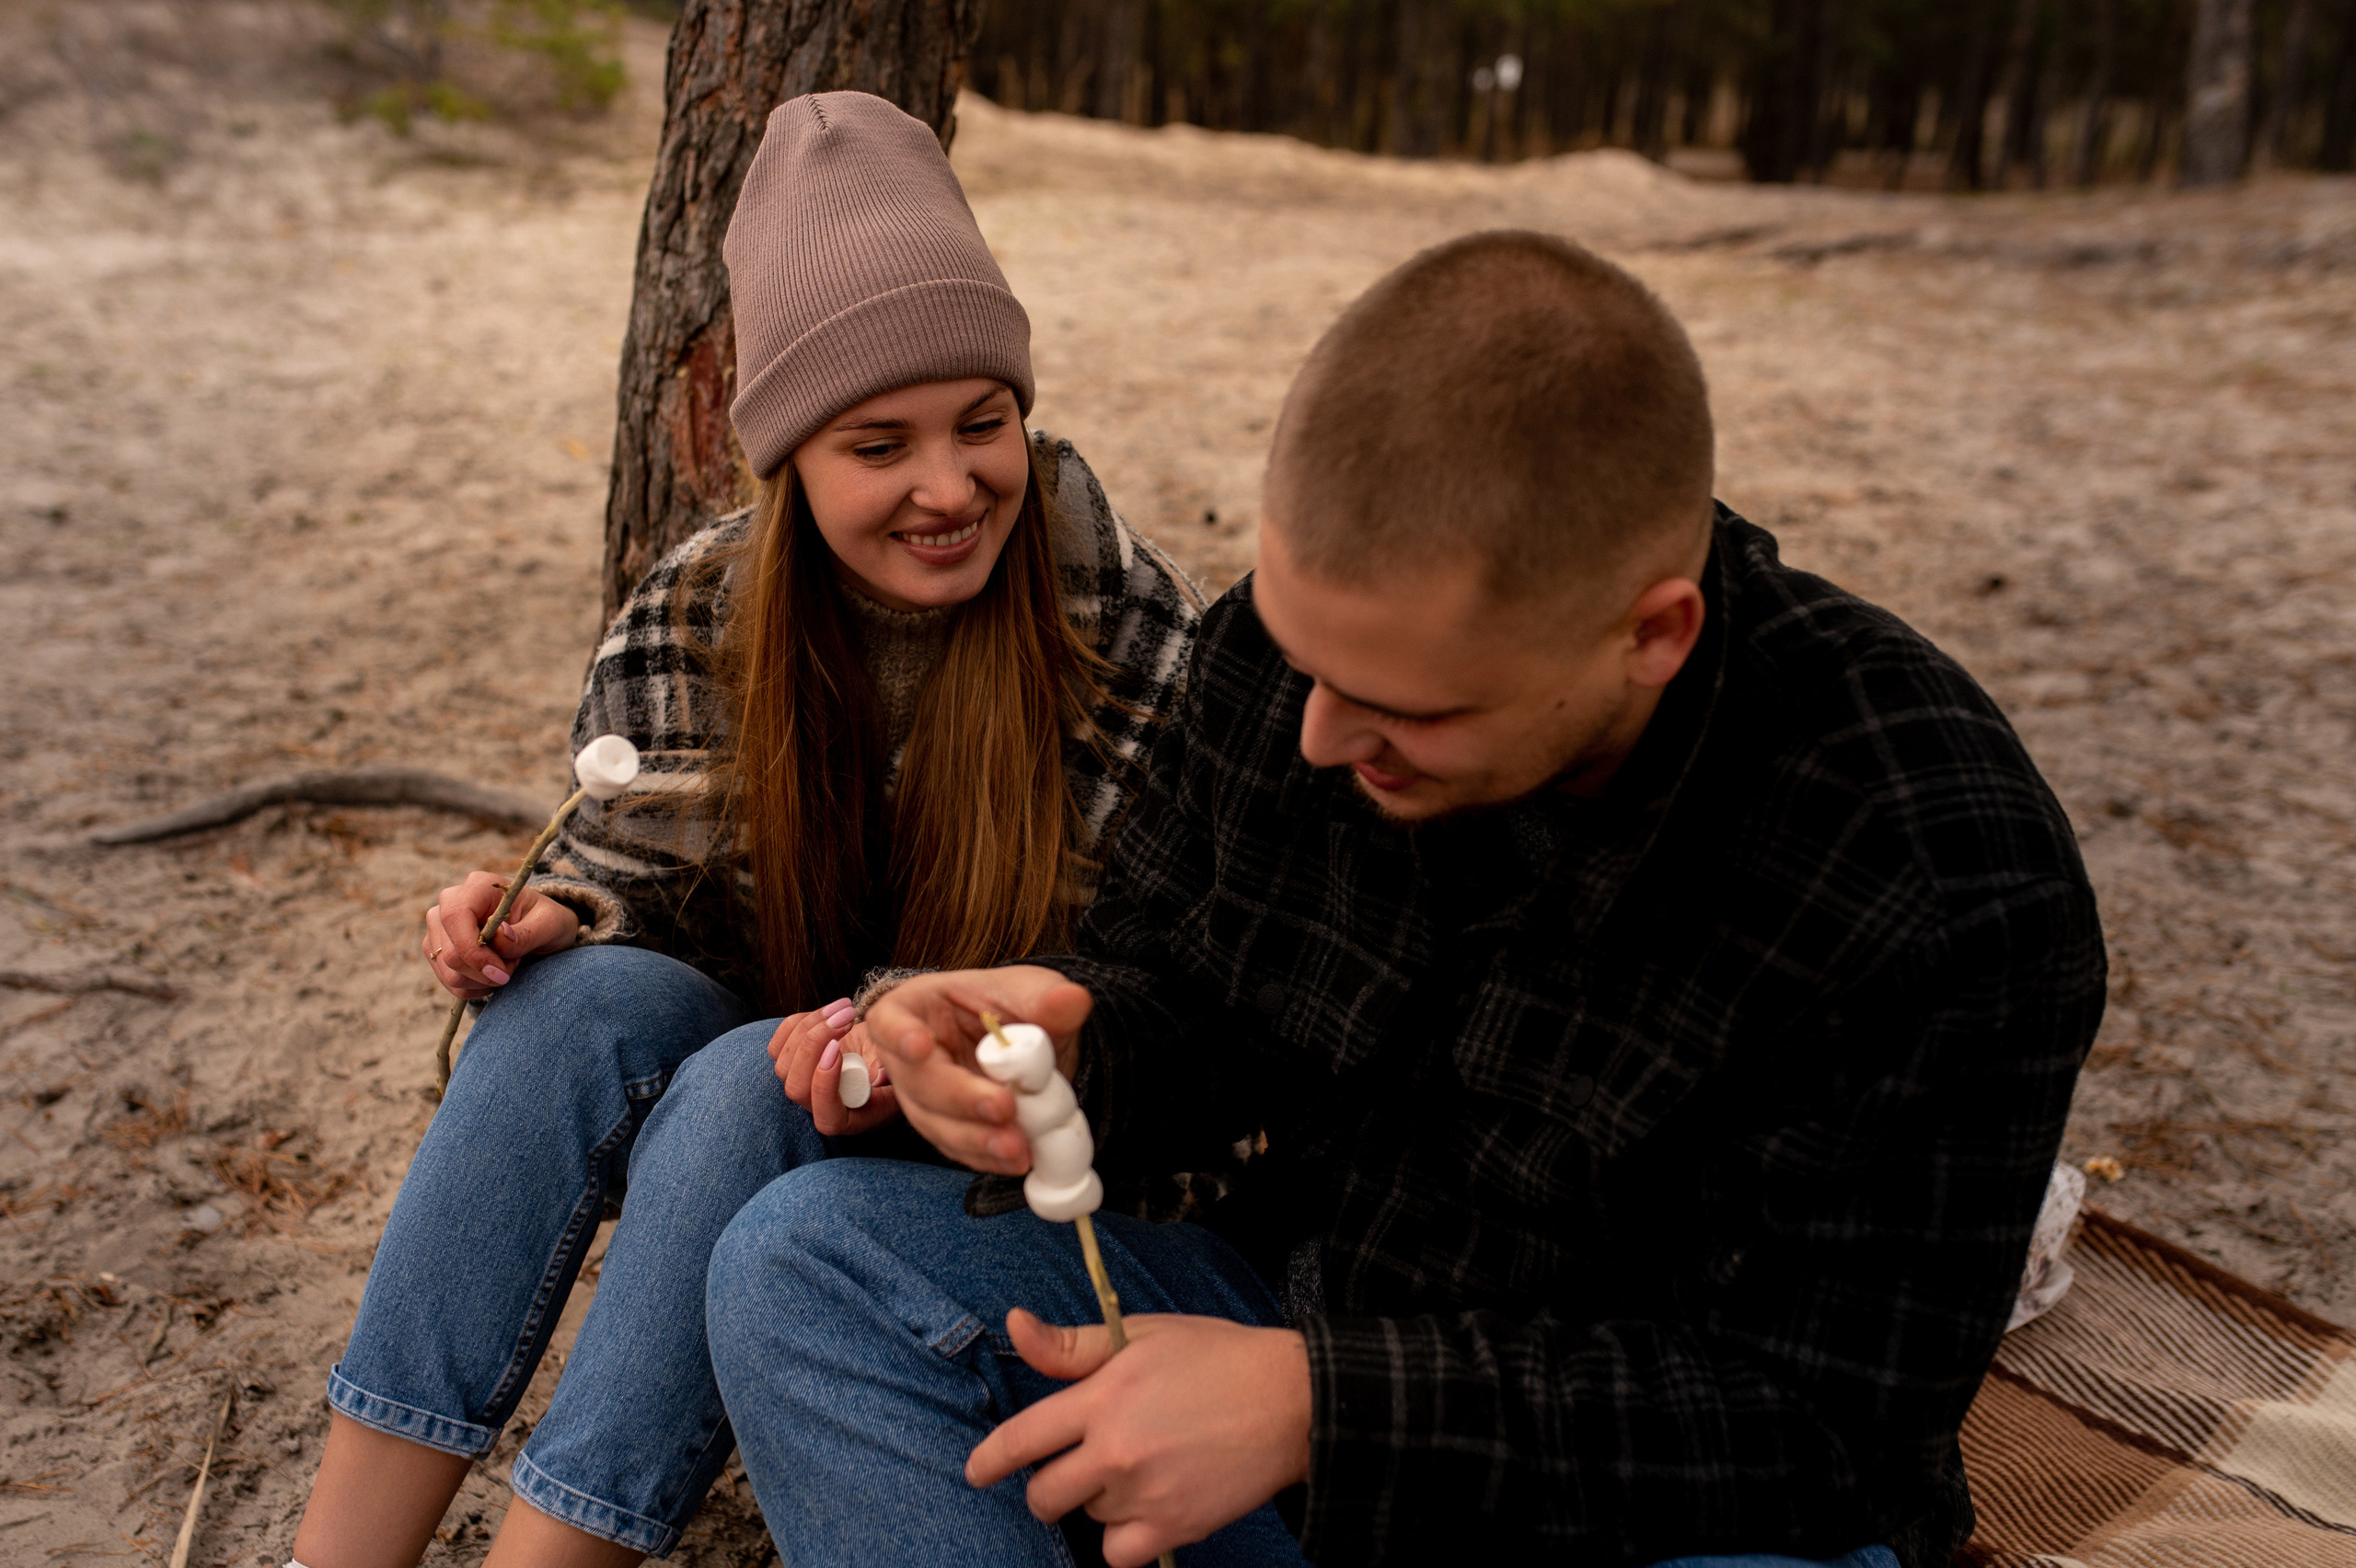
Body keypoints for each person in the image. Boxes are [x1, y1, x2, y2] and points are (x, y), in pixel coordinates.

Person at [700, 231, 2107, 1567]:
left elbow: (1824, 1431)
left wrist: (1321, 1405)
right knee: (802, 1265)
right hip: (1273, 1340)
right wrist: (1069, 1034)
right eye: (1306, 663)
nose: (1316, 736)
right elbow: (1191, 994)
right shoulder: (1295, 659)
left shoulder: (1933, 869)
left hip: (1630, 1501)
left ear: (1651, 636)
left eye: (1405, 712)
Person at [287, 92, 1205, 1568]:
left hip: (985, 1140)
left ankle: (554, 1550)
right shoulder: (708, 610)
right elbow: (655, 879)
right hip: (785, 1050)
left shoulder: (1124, 626)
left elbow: (1146, 970)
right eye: (878, 444)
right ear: (786, 455)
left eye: (987, 424)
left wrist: (897, 1025)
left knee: (739, 1084)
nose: (949, 486)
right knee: (573, 1009)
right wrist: (556, 913)